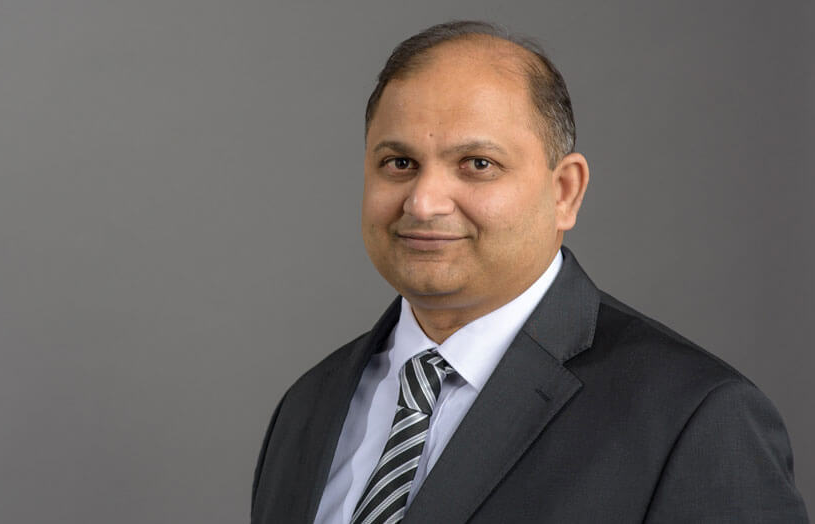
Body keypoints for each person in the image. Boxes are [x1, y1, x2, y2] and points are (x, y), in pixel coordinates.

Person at [250, 20, 808, 523]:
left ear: (564, 192)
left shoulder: (695, 418)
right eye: (400, 164)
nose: (423, 202)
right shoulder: (308, 405)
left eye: (478, 165)